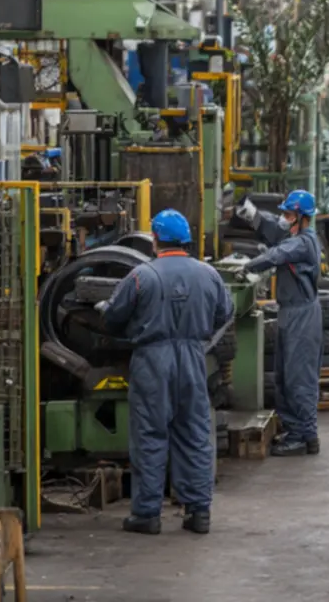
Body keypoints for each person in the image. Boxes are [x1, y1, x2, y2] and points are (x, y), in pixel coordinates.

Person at [97, 209, 234, 536]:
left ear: (154, 239)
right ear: (185, 240)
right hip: (191, 357)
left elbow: (113, 317)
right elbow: (225, 313)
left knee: (150, 434)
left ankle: (147, 514)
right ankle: (199, 512)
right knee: (195, 433)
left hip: (153, 360)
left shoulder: (141, 276)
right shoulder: (208, 274)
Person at [237, 190, 324, 456]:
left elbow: (276, 254)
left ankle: (305, 436)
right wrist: (251, 215)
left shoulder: (303, 243)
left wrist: (247, 266)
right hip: (290, 312)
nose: (284, 219)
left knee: (300, 377)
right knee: (285, 376)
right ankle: (296, 430)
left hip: (302, 315)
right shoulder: (295, 235)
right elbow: (276, 230)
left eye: (288, 214)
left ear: (302, 217)